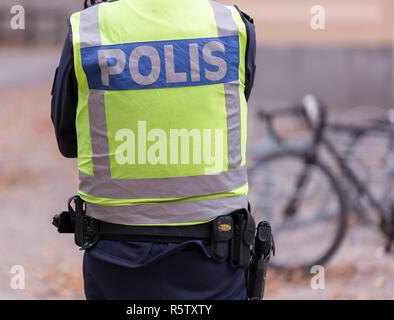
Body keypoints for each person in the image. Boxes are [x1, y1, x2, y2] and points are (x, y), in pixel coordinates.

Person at [51, 0, 256, 300]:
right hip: (215, 256)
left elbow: (69, 141)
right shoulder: (231, 25)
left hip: (115, 259)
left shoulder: (89, 28)